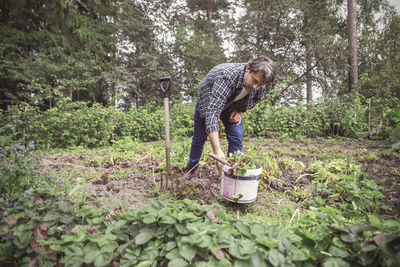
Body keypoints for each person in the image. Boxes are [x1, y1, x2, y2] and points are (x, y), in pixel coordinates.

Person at [186, 56, 276, 176]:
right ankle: (191, 170)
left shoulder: (259, 84)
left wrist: (240, 111)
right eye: (254, 81)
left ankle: (233, 172)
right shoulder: (227, 76)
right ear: (248, 69)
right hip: (208, 99)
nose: (255, 87)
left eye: (259, 84)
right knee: (199, 137)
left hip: (232, 104)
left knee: (236, 137)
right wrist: (217, 151)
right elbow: (212, 114)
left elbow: (256, 99)